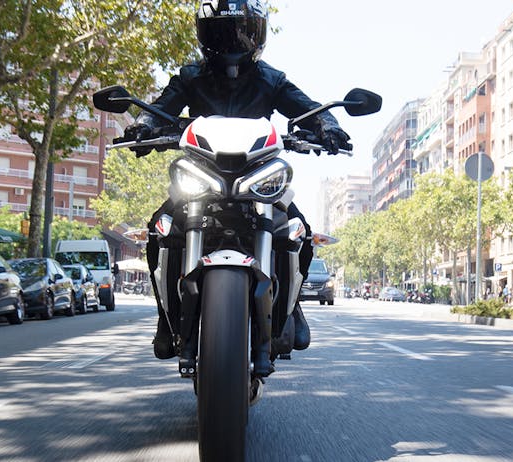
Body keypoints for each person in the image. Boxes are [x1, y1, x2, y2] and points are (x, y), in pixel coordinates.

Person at [126, 0, 352, 359]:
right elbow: (162, 107)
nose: (234, 41)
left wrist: (328, 126)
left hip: (257, 175)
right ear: (205, 35)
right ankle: (165, 318)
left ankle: (291, 306)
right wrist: (144, 127)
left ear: (258, 34)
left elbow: (306, 107)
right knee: (160, 228)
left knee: (299, 229)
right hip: (202, 174)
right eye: (223, 31)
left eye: (243, 31)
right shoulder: (190, 77)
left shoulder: (272, 79)